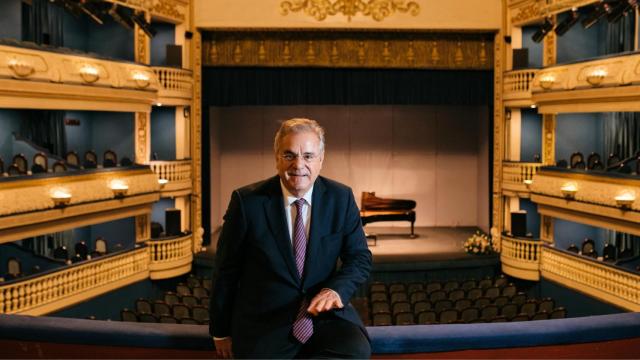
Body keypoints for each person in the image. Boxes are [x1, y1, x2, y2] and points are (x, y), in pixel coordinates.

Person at [210, 118, 372, 359]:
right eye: (289, 155)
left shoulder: (341, 198)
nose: (299, 165)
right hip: (264, 323)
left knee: (356, 352)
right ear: (276, 157)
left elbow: (359, 258)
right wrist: (220, 331)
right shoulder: (247, 202)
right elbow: (226, 270)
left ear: (321, 159)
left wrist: (335, 291)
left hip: (324, 319)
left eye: (308, 156)